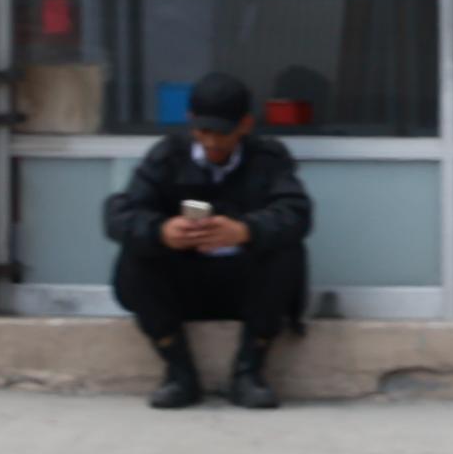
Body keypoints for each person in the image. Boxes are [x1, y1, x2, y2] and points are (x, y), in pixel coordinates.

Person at [101, 70, 312, 411]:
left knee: (286, 252)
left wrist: (246, 231)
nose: (212, 142)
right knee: (136, 254)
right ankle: (178, 372)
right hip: (184, 285)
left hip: (245, 286)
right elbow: (120, 215)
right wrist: (161, 231)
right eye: (202, 131)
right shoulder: (167, 156)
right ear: (190, 121)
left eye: (222, 133)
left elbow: (297, 213)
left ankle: (249, 372)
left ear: (245, 125)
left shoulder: (268, 159)